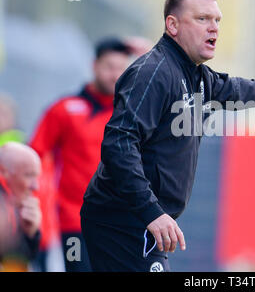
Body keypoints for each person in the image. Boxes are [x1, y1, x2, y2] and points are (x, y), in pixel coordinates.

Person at [80, 0, 255, 272]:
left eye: (217, 20)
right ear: (172, 25)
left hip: (144, 224)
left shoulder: (195, 73)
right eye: (202, 19)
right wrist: (151, 212)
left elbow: (232, 88)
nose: (213, 28)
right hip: (122, 221)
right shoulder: (154, 73)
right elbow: (119, 144)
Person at [30, 36, 152, 272]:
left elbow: (172, 94)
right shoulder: (65, 110)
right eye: (109, 67)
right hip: (75, 222)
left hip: (123, 223)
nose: (114, 74)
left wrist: (149, 55)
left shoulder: (135, 113)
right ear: (94, 65)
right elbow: (34, 155)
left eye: (121, 68)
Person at [0, 142, 42, 272]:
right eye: (29, 175)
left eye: (36, 177)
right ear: (3, 172)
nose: (35, 186)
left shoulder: (12, 202)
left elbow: (19, 261)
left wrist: (30, 233)